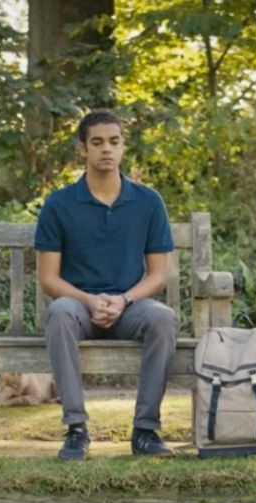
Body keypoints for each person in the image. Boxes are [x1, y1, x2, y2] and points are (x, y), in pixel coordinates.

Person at [34, 109, 179, 460]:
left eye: (114, 142)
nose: (106, 150)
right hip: (79, 308)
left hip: (130, 308)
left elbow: (158, 274)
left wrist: (123, 300)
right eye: (97, 142)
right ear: (82, 149)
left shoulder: (148, 202)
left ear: (123, 147)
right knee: (59, 312)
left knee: (164, 318)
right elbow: (48, 278)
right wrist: (90, 300)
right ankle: (76, 430)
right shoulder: (59, 204)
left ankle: (145, 430)